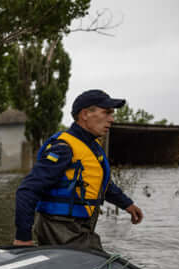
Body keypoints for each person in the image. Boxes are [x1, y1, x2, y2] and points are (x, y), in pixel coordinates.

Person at [13, 89, 144, 251]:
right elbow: (27, 191)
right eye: (107, 112)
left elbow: (101, 184)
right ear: (85, 114)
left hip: (77, 228)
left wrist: (127, 205)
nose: (112, 119)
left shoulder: (92, 147)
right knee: (99, 268)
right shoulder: (63, 148)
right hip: (60, 227)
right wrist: (23, 238)